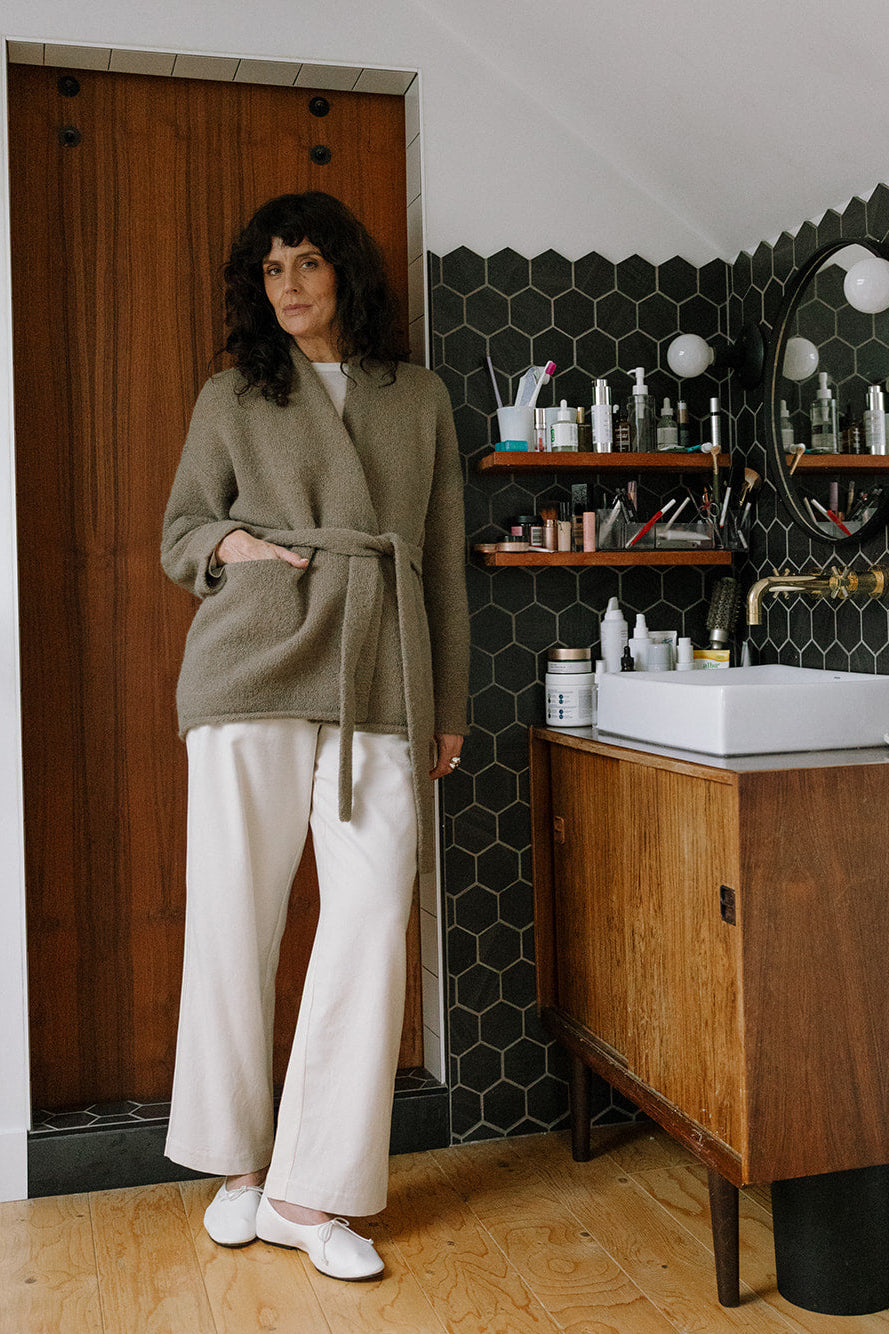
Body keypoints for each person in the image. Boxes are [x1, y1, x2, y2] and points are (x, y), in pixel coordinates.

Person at [160, 191, 469, 1280]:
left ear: (345, 272)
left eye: (306, 262)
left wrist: (448, 704)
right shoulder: (233, 394)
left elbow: (440, 560)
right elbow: (180, 531)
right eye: (271, 268)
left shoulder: (417, 396)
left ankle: (310, 1188)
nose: (288, 284)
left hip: (379, 668)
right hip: (251, 660)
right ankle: (235, 1165)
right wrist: (232, 546)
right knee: (232, 914)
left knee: (374, 913)